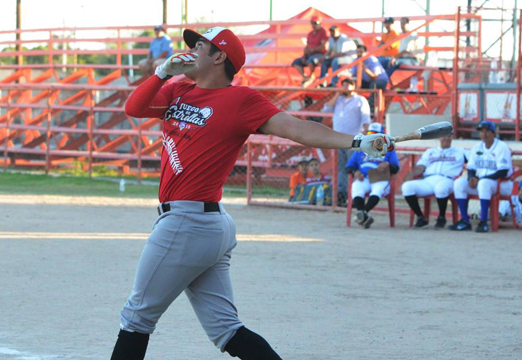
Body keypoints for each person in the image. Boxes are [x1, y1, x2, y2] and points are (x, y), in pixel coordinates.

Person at [112, 26, 393, 360]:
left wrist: (358, 141)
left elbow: (297, 129)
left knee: (137, 318)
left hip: (188, 223)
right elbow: (134, 108)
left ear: (219, 57)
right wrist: (162, 74)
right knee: (226, 330)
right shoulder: (178, 91)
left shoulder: (241, 100)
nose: (191, 50)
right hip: (204, 223)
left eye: (200, 46)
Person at [450, 120, 513, 233]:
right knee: (459, 183)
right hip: (483, 184)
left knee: (484, 183)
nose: (484, 134)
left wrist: (480, 179)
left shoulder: (501, 147)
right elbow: (471, 167)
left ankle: (483, 222)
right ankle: (465, 221)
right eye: (481, 131)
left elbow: (503, 171)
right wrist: (471, 178)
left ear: (493, 133)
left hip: (502, 184)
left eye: (487, 131)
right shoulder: (477, 147)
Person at [322, 78, 371, 206]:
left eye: (347, 85)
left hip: (352, 139)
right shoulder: (338, 100)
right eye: (343, 85)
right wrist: (337, 94)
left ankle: (355, 197)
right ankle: (341, 196)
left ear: (353, 86)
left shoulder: (360, 100)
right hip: (337, 139)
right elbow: (326, 109)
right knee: (340, 168)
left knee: (354, 168)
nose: (344, 88)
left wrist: (365, 134)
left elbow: (366, 119)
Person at [401, 135, 467, 229]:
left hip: (448, 179)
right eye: (443, 136)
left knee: (440, 188)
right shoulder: (430, 151)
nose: (446, 138)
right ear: (439, 138)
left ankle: (441, 217)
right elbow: (421, 167)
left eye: (448, 136)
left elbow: (475, 160)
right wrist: (412, 174)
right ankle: (421, 217)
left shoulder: (460, 151)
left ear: (452, 137)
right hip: (428, 180)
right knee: (407, 187)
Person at [346, 122, 400, 228]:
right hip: (364, 178)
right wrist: (355, 172)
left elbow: (396, 168)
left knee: (378, 189)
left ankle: (362, 213)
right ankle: (364, 216)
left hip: (380, 178)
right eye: (370, 133)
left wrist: (387, 165)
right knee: (356, 187)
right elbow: (349, 167)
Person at [292, 16, 328, 87]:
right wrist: (304, 55)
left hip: (320, 55)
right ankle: (305, 77)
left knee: (311, 61)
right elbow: (307, 46)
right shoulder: (310, 34)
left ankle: (311, 77)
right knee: (296, 62)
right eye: (312, 23)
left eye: (316, 23)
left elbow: (324, 46)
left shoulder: (323, 32)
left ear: (320, 23)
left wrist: (313, 50)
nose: (314, 25)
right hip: (310, 55)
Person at [351, 44, 389, 110]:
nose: (359, 54)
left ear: (366, 53)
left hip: (380, 81)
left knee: (373, 85)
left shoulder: (372, 59)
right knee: (352, 85)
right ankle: (353, 105)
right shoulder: (355, 60)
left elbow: (375, 77)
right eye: (357, 52)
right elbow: (353, 75)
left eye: (361, 52)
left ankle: (372, 108)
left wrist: (364, 68)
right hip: (368, 81)